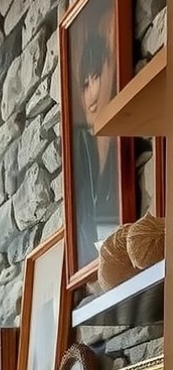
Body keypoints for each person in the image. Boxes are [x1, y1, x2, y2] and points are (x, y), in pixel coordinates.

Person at [71, 26, 119, 269]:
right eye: (84, 84)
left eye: (96, 77)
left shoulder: (121, 145)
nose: (89, 95)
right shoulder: (79, 148)